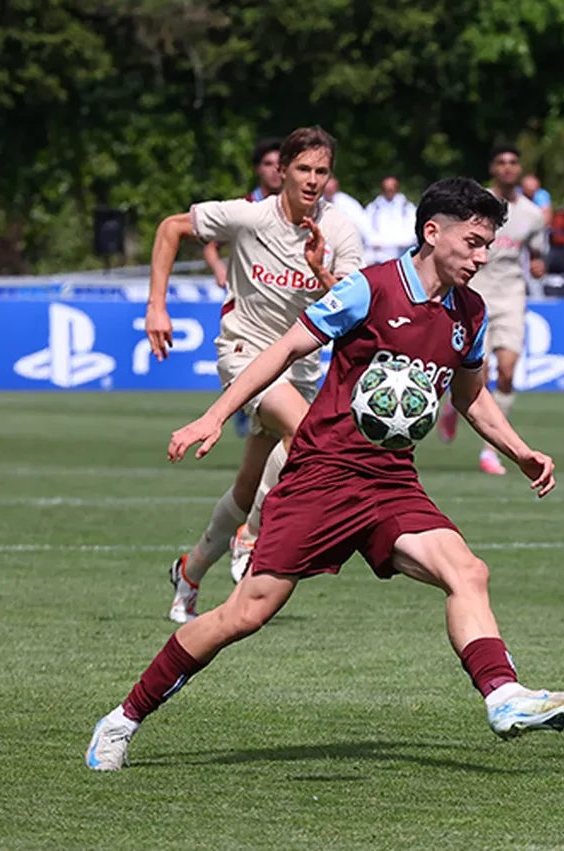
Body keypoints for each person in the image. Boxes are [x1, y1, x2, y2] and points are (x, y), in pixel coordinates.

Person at [86, 177, 564, 772]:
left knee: (468, 571)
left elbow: (472, 395)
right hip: (322, 475)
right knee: (245, 613)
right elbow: (280, 352)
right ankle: (123, 718)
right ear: (432, 233)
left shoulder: (470, 312)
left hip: (391, 483)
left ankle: (504, 696)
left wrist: (520, 450)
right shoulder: (369, 290)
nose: (483, 257)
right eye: (474, 242)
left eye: (489, 245)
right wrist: (213, 415)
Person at [146, 126, 364, 624]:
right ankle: (254, 537)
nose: (312, 180)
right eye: (303, 169)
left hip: (302, 365)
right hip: (244, 354)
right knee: (310, 433)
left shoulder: (341, 230)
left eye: (322, 171)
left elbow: (352, 303)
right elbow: (169, 228)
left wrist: (321, 271)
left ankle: (190, 570)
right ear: (282, 170)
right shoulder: (249, 215)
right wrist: (157, 306)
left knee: (248, 487)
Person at [436, 146, 545, 475]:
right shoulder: (475, 207)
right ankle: (456, 407)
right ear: (493, 168)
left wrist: (539, 265)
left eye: (513, 162)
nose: (508, 168)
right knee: (477, 373)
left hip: (512, 294)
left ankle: (490, 451)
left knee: (509, 371)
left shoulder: (532, 214)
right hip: (476, 291)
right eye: (502, 162)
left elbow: (537, 255)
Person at [202, 137, 284, 440]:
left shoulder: (297, 210)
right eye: (268, 164)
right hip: (247, 304)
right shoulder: (245, 207)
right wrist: (218, 267)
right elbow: (211, 245)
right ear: (257, 169)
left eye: (280, 164)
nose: (275, 171)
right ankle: (240, 411)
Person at [365, 176, 418, 264]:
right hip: (379, 254)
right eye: (387, 188)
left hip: (401, 252)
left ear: (396, 189)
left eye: (391, 188)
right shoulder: (374, 207)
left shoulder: (406, 207)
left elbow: (413, 227)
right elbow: (366, 227)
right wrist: (374, 241)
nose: (389, 191)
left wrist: (403, 241)